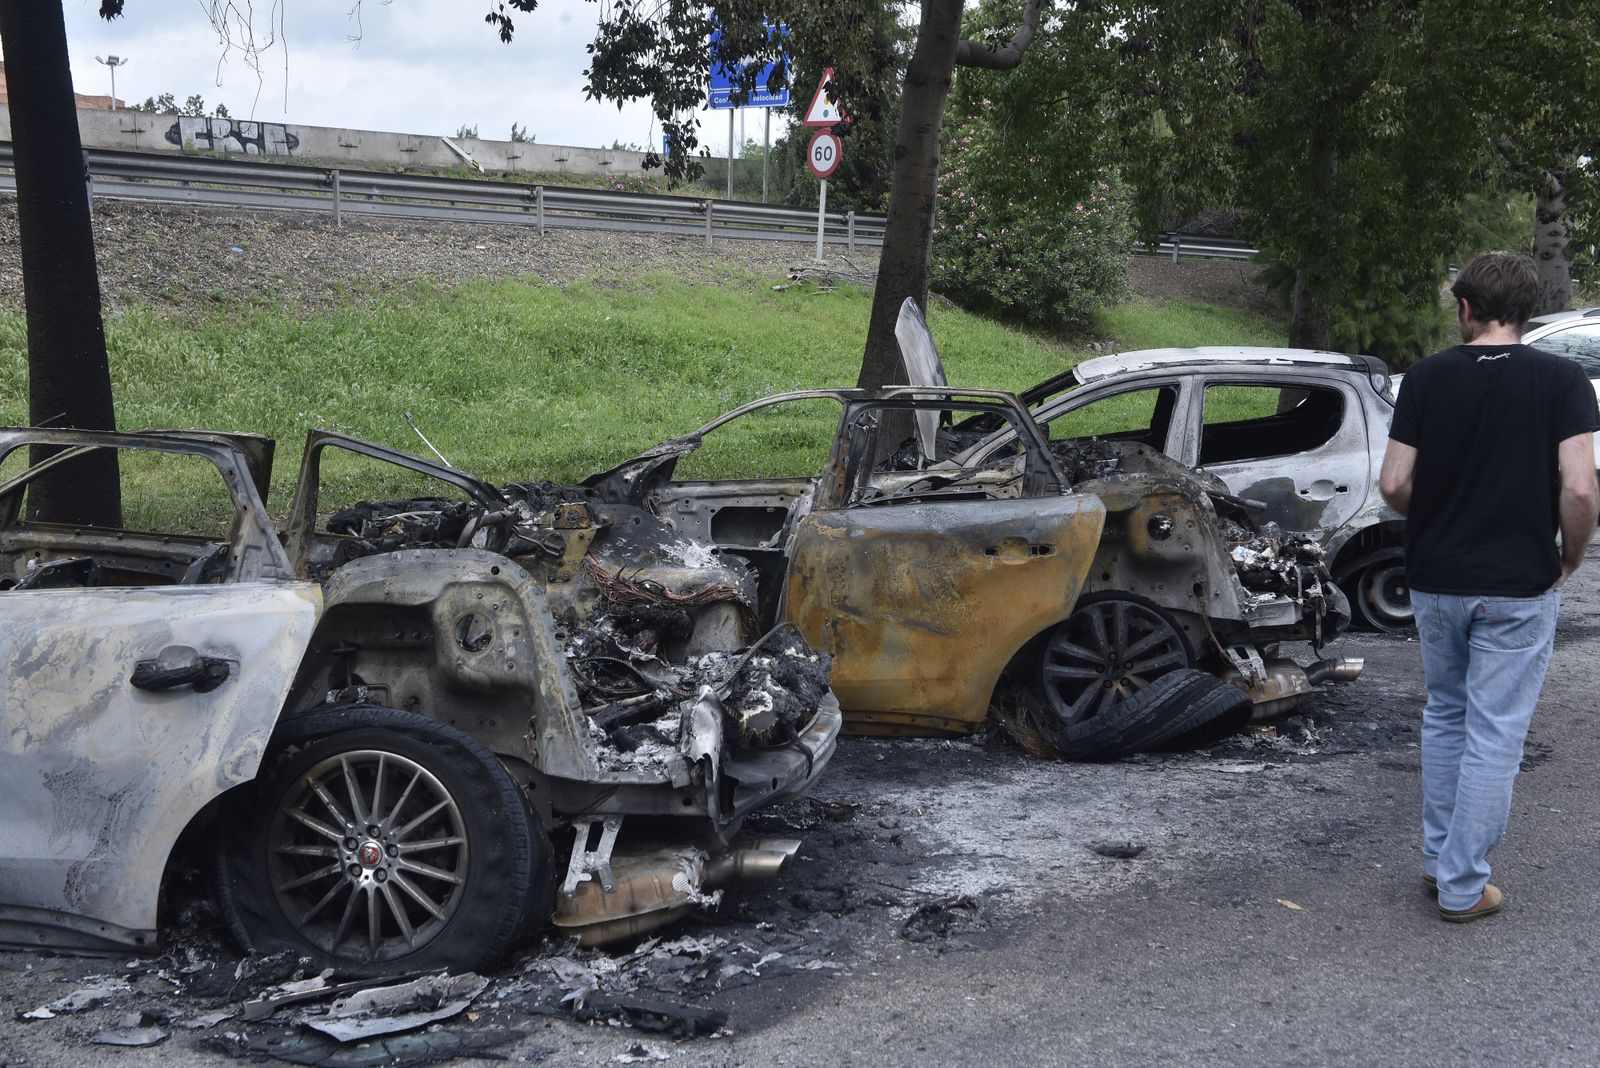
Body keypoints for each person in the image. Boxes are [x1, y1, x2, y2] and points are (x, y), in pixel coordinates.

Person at [1379, 251, 1599, 922]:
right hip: (1517, 581)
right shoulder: (1564, 381)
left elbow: (1391, 484)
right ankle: (1463, 887)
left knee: (1447, 715)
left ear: (1466, 309)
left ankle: (1437, 861)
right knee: (1495, 731)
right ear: (1527, 313)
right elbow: (1581, 488)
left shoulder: (1425, 378)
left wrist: (1444, 513)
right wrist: (1573, 553)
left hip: (1436, 578)